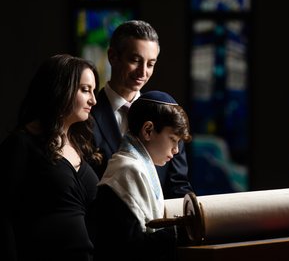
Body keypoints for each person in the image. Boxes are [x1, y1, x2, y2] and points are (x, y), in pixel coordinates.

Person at [1, 54, 101, 261]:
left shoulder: (80, 146)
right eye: (85, 90)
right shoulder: (21, 144)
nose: (93, 99)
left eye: (93, 90)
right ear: (61, 89)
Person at [91, 19, 193, 198]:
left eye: (150, 64)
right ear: (113, 57)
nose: (143, 72)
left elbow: (178, 185)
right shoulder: (88, 115)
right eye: (135, 60)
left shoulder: (167, 114)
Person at [93, 90, 192, 261]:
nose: (176, 150)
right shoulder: (126, 170)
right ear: (148, 130)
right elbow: (131, 247)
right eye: (173, 139)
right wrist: (178, 232)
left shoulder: (140, 166)